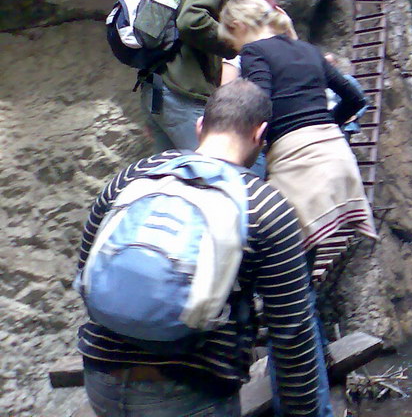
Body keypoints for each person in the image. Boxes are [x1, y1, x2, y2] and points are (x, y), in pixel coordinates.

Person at [77, 79, 330, 417]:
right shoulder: (266, 206)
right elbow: (291, 333)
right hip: (192, 389)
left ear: (200, 127)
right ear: (261, 134)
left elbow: (85, 269)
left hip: (101, 375)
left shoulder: (133, 177)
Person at [219, 0, 376, 251]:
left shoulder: (253, 51)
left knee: (270, 249)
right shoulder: (308, 50)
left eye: (231, 40)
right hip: (338, 159)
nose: (235, 49)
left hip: (299, 166)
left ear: (239, 26)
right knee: (303, 257)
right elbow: (355, 99)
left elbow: (259, 102)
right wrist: (325, 124)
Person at [142, 0, 264, 153]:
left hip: (156, 86)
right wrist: (234, 43)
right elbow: (192, 20)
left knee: (172, 177)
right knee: (210, 168)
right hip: (183, 88)